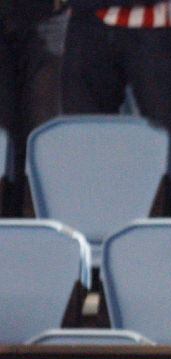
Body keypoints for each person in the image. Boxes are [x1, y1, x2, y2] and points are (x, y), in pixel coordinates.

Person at [61, 0, 171, 215]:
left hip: (160, 20)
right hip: (89, 17)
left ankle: (165, 232)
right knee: (84, 135)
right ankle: (92, 229)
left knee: (167, 138)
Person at [0, 0, 66, 217]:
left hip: (49, 16)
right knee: (5, 132)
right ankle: (10, 223)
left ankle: (37, 230)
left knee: (42, 131)